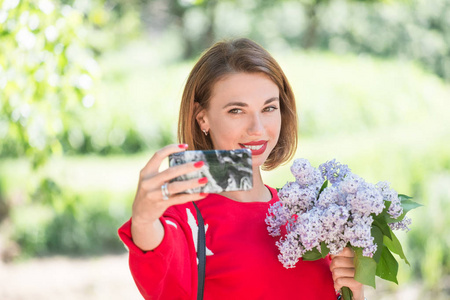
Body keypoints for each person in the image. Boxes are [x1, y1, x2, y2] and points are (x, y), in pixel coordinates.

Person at [118, 38, 365, 300]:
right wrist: (144, 220)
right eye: (237, 110)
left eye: (269, 107)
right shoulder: (185, 218)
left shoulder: (313, 213)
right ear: (202, 117)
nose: (257, 128)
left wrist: (355, 292)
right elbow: (155, 249)